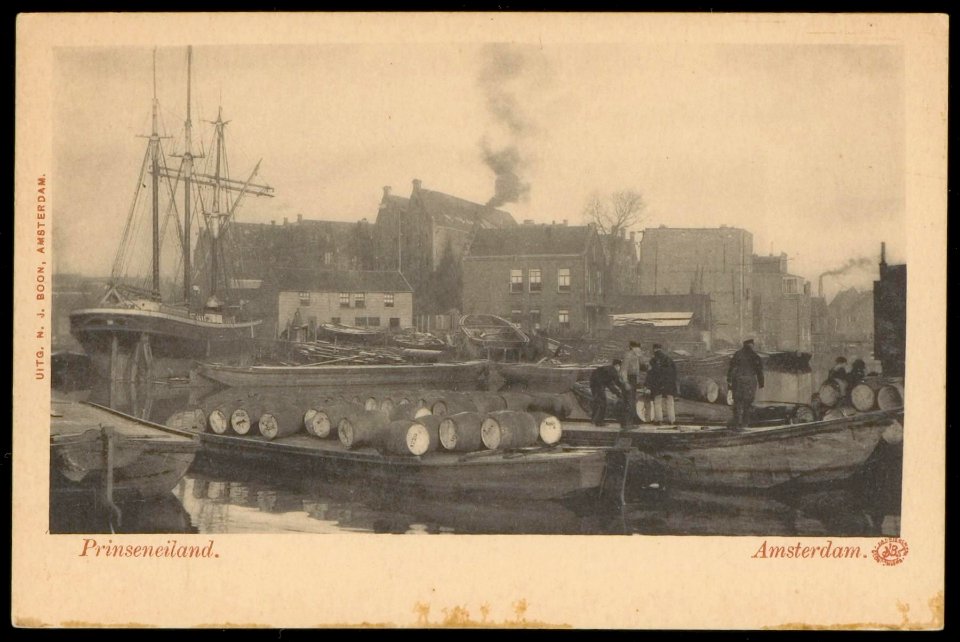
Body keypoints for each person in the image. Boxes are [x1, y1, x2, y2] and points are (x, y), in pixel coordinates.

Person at [726, 338, 764, 431]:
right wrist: (761, 383)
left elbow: (731, 368)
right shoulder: (755, 356)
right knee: (747, 403)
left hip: (737, 381)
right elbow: (759, 371)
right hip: (749, 382)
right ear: (751, 345)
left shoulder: (737, 354)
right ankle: (745, 423)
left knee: (738, 402)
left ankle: (736, 422)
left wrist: (729, 381)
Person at [646, 343, 678, 426]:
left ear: (654, 349)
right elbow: (675, 372)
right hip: (669, 384)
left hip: (658, 384)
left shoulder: (653, 360)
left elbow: (650, 374)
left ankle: (659, 420)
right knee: (670, 402)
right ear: (661, 348)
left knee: (657, 402)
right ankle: (672, 420)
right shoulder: (669, 359)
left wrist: (648, 385)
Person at [590, 358, 627, 427]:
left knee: (598, 402)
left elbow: (610, 385)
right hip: (598, 384)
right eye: (620, 367)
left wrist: (618, 393)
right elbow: (617, 382)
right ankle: (599, 422)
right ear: (617, 365)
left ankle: (595, 420)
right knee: (602, 403)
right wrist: (624, 388)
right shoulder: (612, 370)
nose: (620, 369)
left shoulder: (607, 371)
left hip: (594, 382)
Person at [620, 341, 644, 426]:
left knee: (632, 401)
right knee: (628, 401)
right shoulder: (628, 355)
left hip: (633, 379)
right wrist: (626, 382)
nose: (639, 350)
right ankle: (626, 423)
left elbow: (637, 370)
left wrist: (638, 380)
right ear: (632, 347)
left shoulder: (636, 356)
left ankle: (631, 422)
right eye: (636, 347)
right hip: (628, 379)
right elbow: (624, 370)